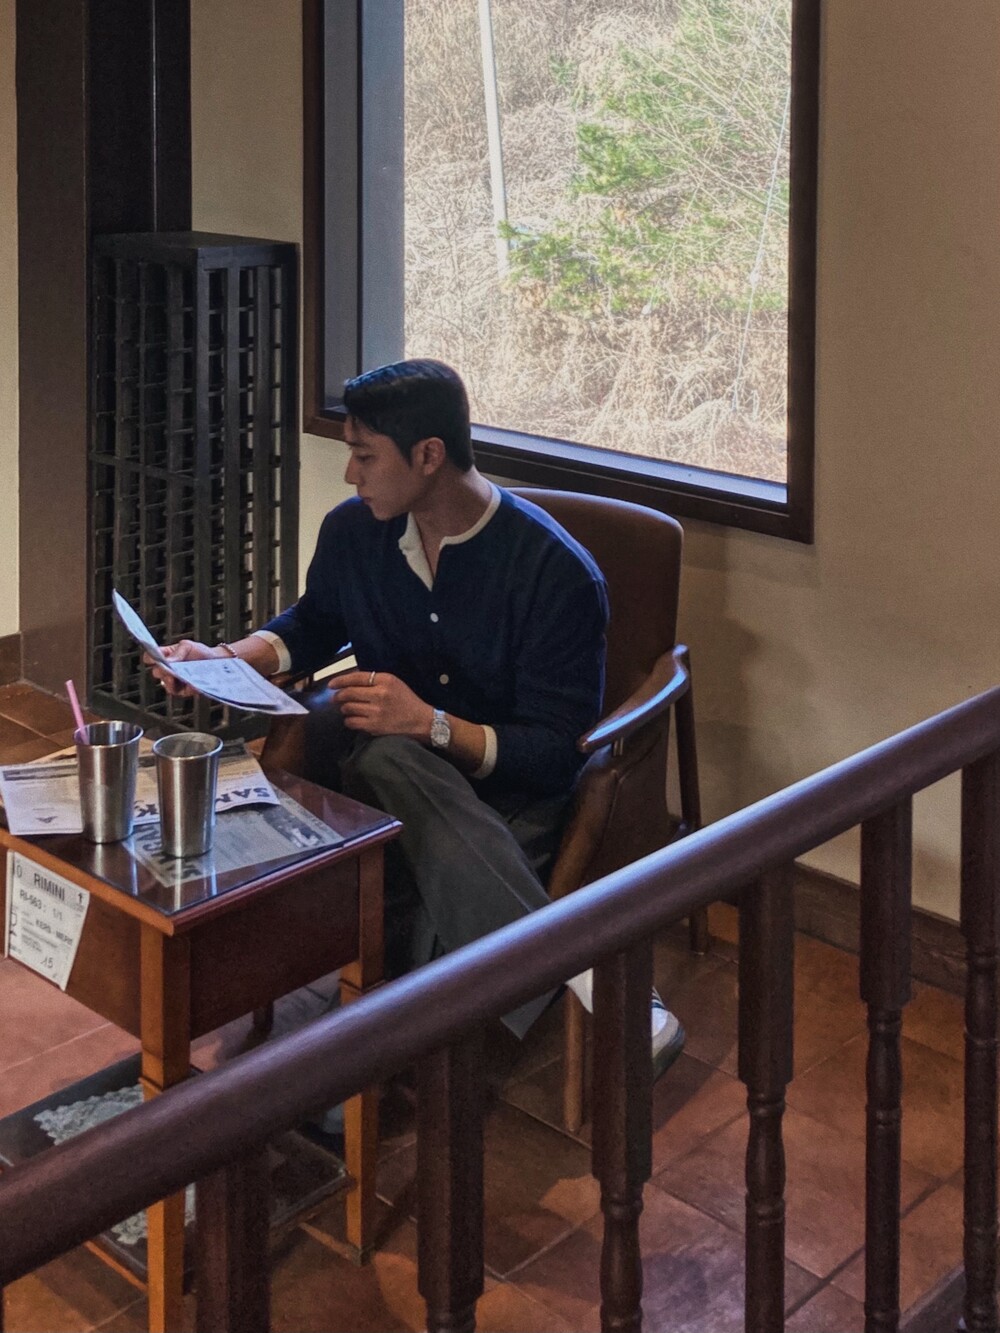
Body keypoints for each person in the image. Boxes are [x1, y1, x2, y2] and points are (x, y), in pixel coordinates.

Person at [152, 358, 684, 1074]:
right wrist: (219, 658)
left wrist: (430, 723)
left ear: (429, 455)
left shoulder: (555, 572)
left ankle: (332, 1072)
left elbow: (556, 757)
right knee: (385, 763)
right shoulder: (354, 531)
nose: (351, 474)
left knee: (416, 930)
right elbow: (313, 623)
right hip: (390, 783)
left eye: (365, 456)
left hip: (508, 798)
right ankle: (585, 968)